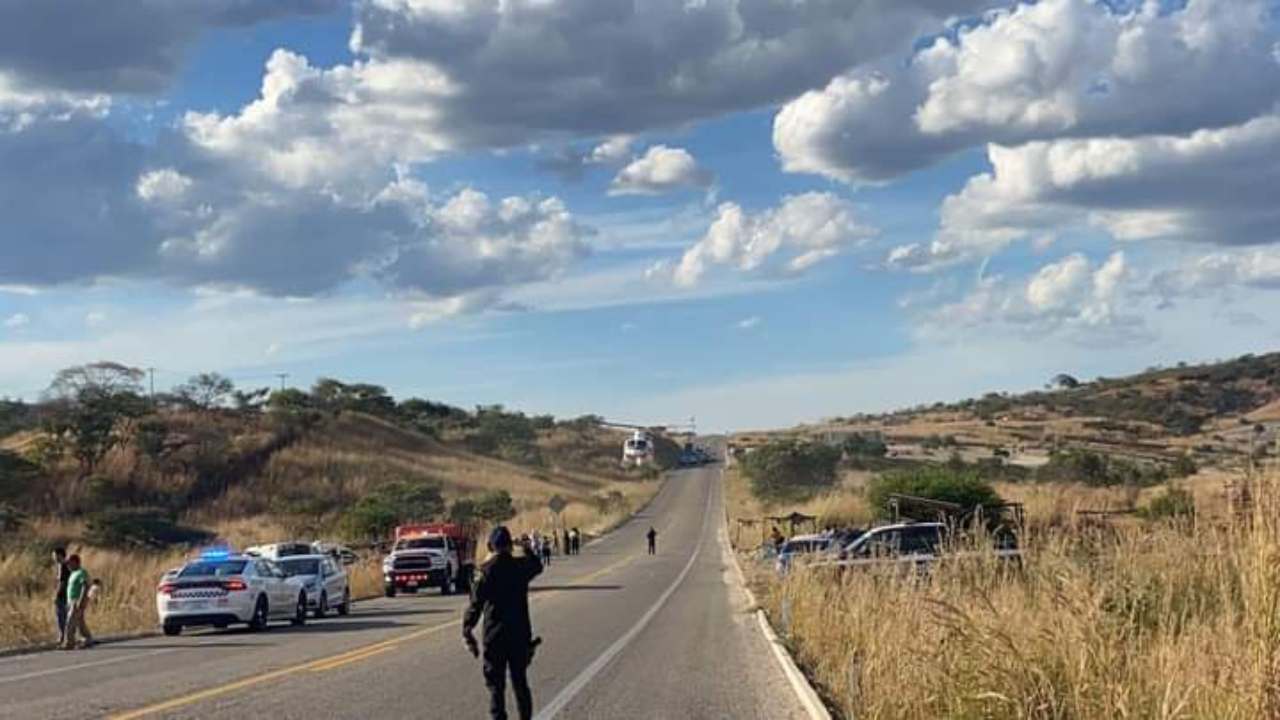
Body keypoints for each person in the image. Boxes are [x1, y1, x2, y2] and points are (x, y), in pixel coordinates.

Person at [463, 526, 543, 720]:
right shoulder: (520, 566)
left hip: (494, 636)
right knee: (520, 682)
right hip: (519, 635)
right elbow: (537, 566)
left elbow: (475, 606)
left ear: (491, 546)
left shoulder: (485, 572)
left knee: (495, 687)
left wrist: (467, 631)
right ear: (509, 546)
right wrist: (526, 548)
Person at [61, 554, 94, 649]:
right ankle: (88, 639)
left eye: (69, 564)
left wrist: (80, 601)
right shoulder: (73, 573)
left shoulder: (81, 572)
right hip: (71, 601)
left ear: (75, 562)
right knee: (80, 623)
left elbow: (85, 586)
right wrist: (68, 603)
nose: (68, 566)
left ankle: (68, 643)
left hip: (77, 600)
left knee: (70, 622)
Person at [52, 546, 71, 646]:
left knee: (60, 616)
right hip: (67, 594)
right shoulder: (67, 565)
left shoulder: (62, 565)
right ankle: (67, 636)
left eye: (54, 555)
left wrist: (56, 595)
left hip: (62, 595)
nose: (53, 557)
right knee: (66, 616)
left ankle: (62, 636)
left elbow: (61, 582)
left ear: (59, 555)